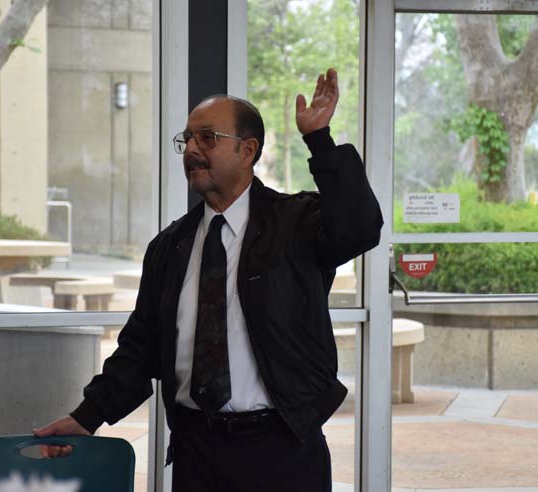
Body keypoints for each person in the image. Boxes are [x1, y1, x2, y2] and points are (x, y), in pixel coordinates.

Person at [32, 68, 382, 492]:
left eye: (208, 138)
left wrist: (319, 142)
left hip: (283, 448)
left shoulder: (295, 223)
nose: (192, 150)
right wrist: (88, 415)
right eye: (187, 140)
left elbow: (359, 228)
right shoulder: (170, 246)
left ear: (248, 150)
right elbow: (140, 347)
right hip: (196, 450)